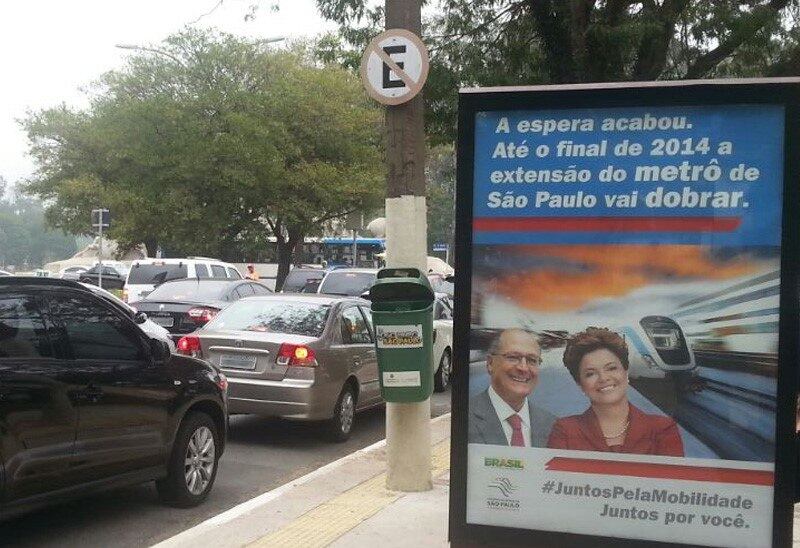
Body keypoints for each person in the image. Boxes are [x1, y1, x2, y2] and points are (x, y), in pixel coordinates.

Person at [547, 327, 684, 456]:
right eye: (590, 374)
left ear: (625, 372)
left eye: (611, 368)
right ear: (580, 384)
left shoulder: (663, 429)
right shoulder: (565, 431)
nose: (603, 378)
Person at [469, 328, 556, 447]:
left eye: (532, 360)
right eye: (513, 357)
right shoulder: (466, 417)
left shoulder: (553, 425)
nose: (523, 368)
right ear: (490, 363)